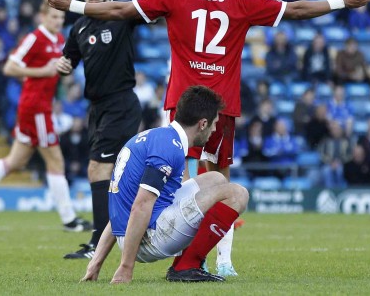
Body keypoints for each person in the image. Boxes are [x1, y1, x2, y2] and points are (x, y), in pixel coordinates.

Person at [41, 0, 370, 274]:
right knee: (221, 182)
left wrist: (73, 5)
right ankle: (219, 260)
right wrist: (340, 2)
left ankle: (161, 249)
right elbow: (295, 10)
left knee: (176, 181)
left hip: (183, 106)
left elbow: (119, 9)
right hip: (221, 107)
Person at [80, 85, 247, 284]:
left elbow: (121, 206)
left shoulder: (154, 137)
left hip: (129, 233)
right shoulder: (169, 149)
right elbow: (140, 205)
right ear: (202, 123)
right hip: (147, 239)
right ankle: (187, 266)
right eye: (213, 124)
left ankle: (187, 263)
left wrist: (95, 263)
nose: (213, 131)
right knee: (238, 194)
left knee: (216, 179)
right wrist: (126, 267)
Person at [0, 2, 91, 232]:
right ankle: (69, 219)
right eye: (54, 17)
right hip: (35, 108)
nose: (58, 21)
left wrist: (62, 70)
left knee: (15, 161)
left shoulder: (58, 40)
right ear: (42, 16)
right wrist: (42, 72)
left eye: (61, 18)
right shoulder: (34, 38)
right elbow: (9, 67)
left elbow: (54, 70)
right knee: (55, 160)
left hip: (40, 106)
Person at [50, 0, 143, 259]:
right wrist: (62, 66)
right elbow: (68, 61)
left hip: (120, 103)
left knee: (98, 169)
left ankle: (96, 244)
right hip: (98, 108)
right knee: (116, 173)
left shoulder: (122, 18)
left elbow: (145, 13)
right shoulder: (78, 28)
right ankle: (133, 229)